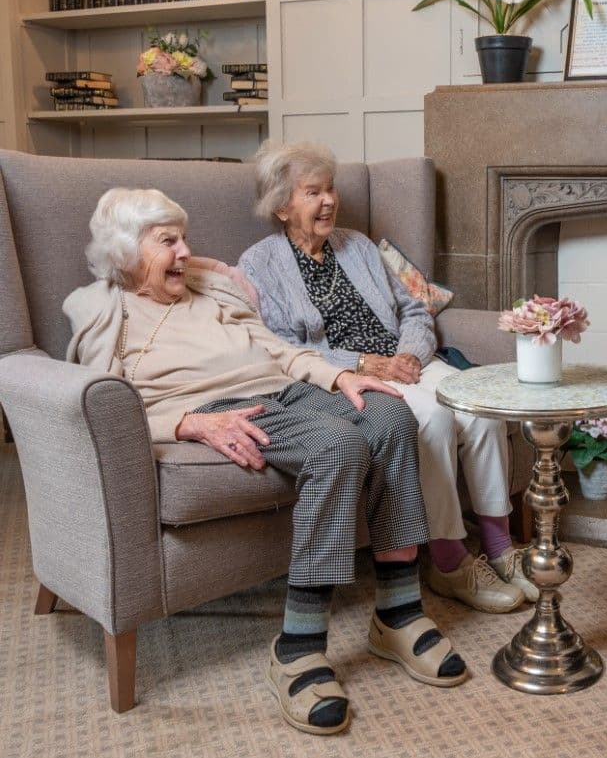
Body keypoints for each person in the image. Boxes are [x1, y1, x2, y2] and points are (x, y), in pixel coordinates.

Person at [65, 188, 470, 738]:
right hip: (222, 408)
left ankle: (396, 612)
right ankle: (298, 646)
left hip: (285, 390)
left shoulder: (209, 291)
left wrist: (339, 375)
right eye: (168, 242)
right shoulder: (103, 310)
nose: (185, 251)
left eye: (185, 239)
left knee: (392, 417)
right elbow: (97, 401)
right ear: (126, 251)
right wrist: (185, 424)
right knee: (339, 445)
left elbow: (278, 348)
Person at [238, 140, 535, 614]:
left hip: (405, 361)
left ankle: (499, 549)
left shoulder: (356, 246)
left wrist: (410, 354)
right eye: (313, 192)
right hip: (350, 379)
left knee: (480, 413)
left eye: (330, 189)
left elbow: (413, 310)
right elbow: (281, 345)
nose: (329, 200)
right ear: (281, 206)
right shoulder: (259, 264)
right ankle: (449, 562)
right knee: (435, 420)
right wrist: (361, 363)